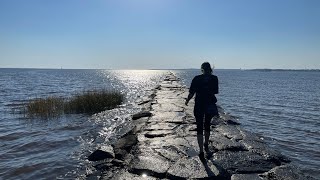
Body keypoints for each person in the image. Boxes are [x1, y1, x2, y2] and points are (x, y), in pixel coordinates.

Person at [185, 62, 219, 161]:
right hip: (209, 104)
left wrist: (187, 100)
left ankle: (201, 151)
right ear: (210, 69)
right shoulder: (214, 78)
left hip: (199, 105)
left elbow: (191, 92)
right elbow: (215, 91)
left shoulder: (196, 78)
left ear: (202, 69)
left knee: (199, 127)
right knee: (207, 124)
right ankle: (206, 144)